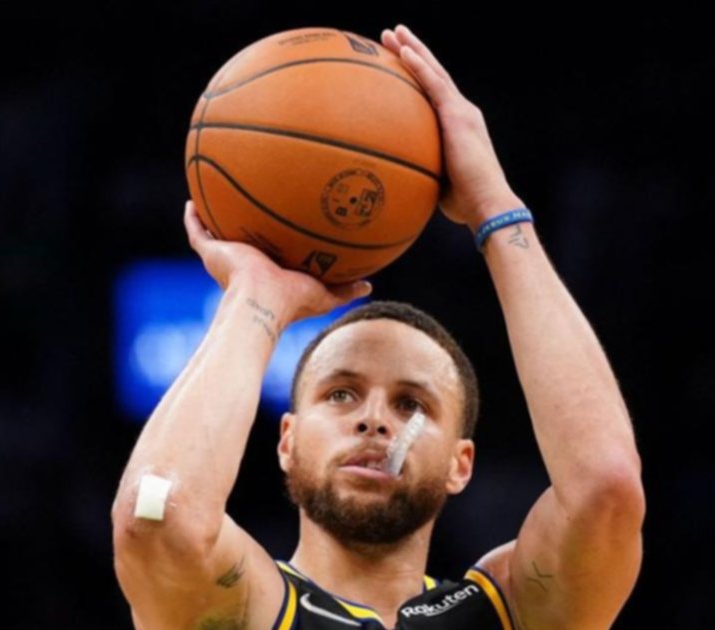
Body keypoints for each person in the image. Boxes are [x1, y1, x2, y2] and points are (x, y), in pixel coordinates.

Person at [112, 24, 645, 629]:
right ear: (286, 441)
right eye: (340, 394)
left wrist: (495, 206)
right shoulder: (241, 608)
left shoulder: (511, 613)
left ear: (460, 463)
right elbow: (155, 515)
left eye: (412, 403)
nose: (374, 418)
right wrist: (256, 298)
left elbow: (605, 489)